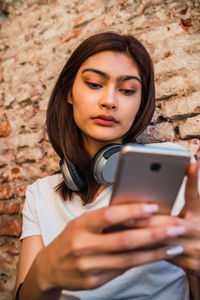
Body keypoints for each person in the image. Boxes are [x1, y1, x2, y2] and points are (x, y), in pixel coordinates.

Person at [14, 32, 200, 300]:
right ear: (69, 92)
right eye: (94, 84)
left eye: (127, 90)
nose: (110, 100)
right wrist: (43, 273)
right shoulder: (40, 194)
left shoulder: (173, 166)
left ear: (140, 104)